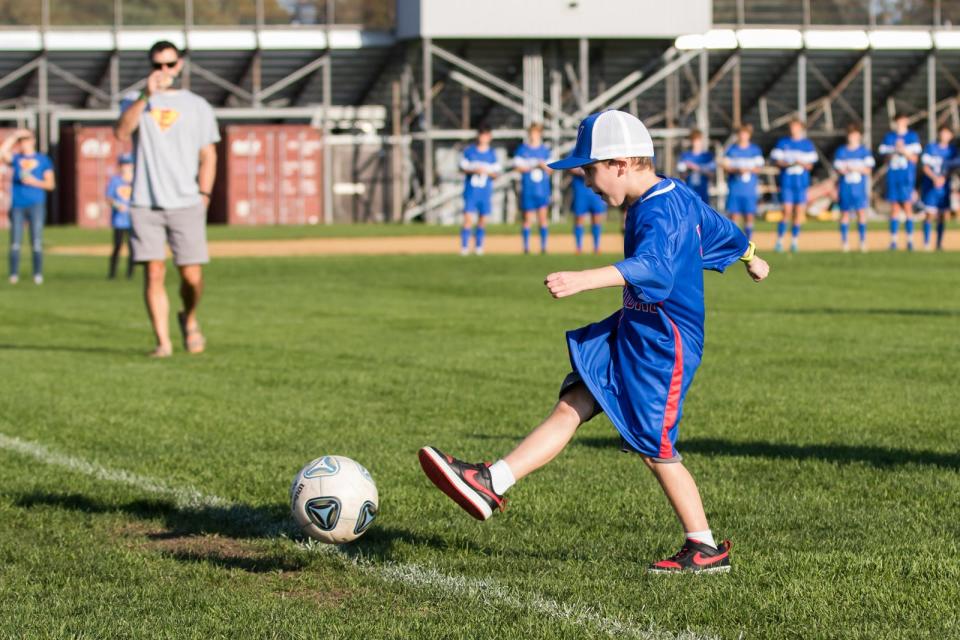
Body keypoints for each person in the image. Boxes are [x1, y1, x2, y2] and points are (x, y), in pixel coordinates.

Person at [418, 110, 770, 574]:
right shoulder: (671, 194)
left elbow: (657, 272)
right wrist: (749, 256)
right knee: (574, 401)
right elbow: (721, 227)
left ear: (622, 163)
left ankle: (703, 546)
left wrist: (585, 278)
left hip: (663, 344)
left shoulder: (660, 208)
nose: (585, 181)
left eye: (590, 169)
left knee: (653, 446)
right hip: (634, 326)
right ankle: (491, 481)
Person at [115, 40, 219, 357]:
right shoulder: (135, 100)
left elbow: (208, 154)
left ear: (180, 65)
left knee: (191, 275)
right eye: (157, 65)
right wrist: (146, 95)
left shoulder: (197, 105)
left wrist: (204, 194)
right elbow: (121, 133)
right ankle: (163, 342)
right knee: (154, 271)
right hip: (145, 202)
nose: (164, 71)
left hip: (186, 201)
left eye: (170, 65)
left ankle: (189, 316)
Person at [0, 129, 55, 285]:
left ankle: (37, 274)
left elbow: (51, 184)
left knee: (36, 242)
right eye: (21, 141)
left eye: (26, 139)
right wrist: (14, 136)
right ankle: (13, 274)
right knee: (15, 243)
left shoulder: (43, 160)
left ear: (33, 141)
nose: (23, 143)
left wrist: (34, 182)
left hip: (36, 204)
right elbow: (1, 153)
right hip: (17, 205)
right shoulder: (16, 159)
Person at [770, 118, 818, 252]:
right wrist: (789, 163)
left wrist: (801, 163)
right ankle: (779, 240)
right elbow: (777, 161)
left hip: (801, 184)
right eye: (792, 127)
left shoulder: (807, 144)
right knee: (786, 211)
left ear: (801, 128)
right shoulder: (783, 143)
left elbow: (810, 165)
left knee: (799, 213)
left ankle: (794, 241)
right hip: (787, 183)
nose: (793, 129)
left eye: (796, 127)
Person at [878, 113, 922, 251]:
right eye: (898, 121)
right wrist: (894, 151)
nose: (900, 123)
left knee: (908, 207)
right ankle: (893, 241)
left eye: (903, 120)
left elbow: (915, 159)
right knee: (894, 208)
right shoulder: (889, 137)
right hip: (893, 177)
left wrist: (904, 151)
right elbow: (885, 157)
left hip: (906, 177)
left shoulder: (912, 137)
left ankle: (910, 241)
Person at [459, 125, 501, 256]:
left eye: (486, 135)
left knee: (482, 220)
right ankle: (465, 247)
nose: (483, 138)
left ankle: (479, 246)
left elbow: (496, 173)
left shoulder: (492, 154)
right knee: (468, 219)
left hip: (485, 192)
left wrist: (487, 172)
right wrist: (474, 170)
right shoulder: (469, 152)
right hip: (471, 191)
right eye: (481, 135)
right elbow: (462, 167)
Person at [833, 124, 874, 253]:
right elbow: (838, 169)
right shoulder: (841, 151)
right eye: (851, 135)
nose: (853, 137)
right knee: (844, 214)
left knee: (861, 213)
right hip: (845, 188)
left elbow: (868, 169)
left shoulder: (864, 152)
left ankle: (862, 241)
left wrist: (854, 168)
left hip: (859, 189)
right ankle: (845, 242)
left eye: (855, 134)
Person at [514, 123, 553, 254]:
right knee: (527, 219)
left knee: (542, 219)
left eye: (536, 132)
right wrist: (531, 165)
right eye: (532, 132)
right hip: (528, 189)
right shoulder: (522, 150)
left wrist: (542, 165)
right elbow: (517, 166)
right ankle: (526, 247)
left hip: (542, 189)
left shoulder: (545, 150)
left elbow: (551, 169)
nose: (533, 135)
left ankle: (544, 246)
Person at [722, 124, 764, 241]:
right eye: (741, 134)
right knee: (733, 216)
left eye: (745, 134)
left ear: (749, 135)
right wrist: (736, 170)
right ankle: (734, 242)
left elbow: (759, 167)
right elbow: (725, 166)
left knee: (749, 216)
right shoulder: (732, 150)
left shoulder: (755, 150)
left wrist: (748, 169)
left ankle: (749, 241)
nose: (743, 136)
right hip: (735, 188)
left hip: (749, 190)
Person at [920, 125, 957, 251]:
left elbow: (953, 168)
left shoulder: (953, 150)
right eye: (942, 133)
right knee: (929, 214)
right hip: (931, 186)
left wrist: (944, 178)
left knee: (942, 215)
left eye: (947, 133)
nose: (944, 136)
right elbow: (925, 166)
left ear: (951, 136)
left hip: (944, 187)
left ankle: (939, 244)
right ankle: (926, 243)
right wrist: (935, 178)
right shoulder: (931, 148)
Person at [106, 153, 136, 279]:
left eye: (128, 163)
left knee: (132, 248)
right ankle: (112, 274)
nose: (126, 166)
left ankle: (130, 274)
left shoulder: (137, 181)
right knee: (117, 246)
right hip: (119, 220)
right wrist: (118, 205)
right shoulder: (115, 181)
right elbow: (109, 197)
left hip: (133, 220)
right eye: (123, 164)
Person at [570, 169, 607, 254]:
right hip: (580, 190)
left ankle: (596, 247)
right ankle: (579, 247)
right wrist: (582, 171)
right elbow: (570, 168)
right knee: (579, 219)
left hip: (595, 191)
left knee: (597, 218)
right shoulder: (575, 155)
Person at [676, 129, 715, 204]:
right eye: (695, 141)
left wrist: (697, 168)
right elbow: (681, 176)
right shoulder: (685, 156)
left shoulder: (707, 157)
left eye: (698, 140)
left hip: (703, 193)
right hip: (689, 193)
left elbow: (711, 175)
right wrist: (687, 169)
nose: (697, 143)